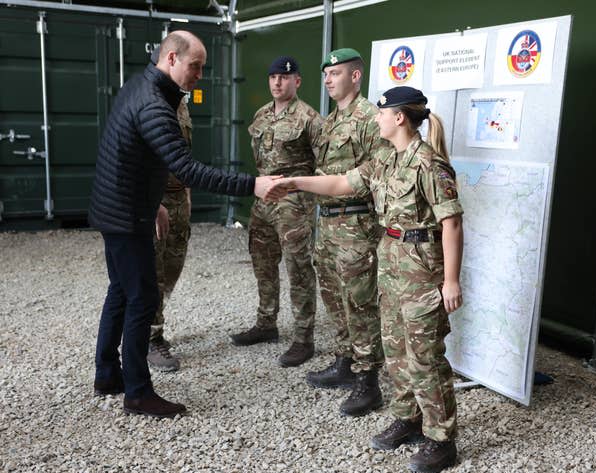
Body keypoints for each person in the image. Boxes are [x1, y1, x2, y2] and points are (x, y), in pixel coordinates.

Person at [265, 86, 464, 473]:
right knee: (394, 351)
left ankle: (441, 439)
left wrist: (451, 281)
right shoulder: (385, 161)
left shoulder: (428, 164)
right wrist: (295, 183)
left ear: (399, 118)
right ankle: (409, 419)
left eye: (381, 113)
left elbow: (451, 223)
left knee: (425, 356)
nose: (376, 118)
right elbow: (341, 184)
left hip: (422, 271)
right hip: (391, 265)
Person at [89, 30, 282, 419]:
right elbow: (186, 168)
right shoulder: (155, 104)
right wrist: (253, 185)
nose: (199, 75)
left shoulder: (143, 86)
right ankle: (138, 393)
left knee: (121, 292)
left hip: (120, 208)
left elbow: (137, 156)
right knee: (142, 299)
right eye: (195, 66)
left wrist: (155, 200)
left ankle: (108, 375)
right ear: (172, 59)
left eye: (203, 67)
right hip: (126, 217)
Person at [304, 48, 390, 417]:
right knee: (334, 297)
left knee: (360, 302)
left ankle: (368, 381)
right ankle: (345, 361)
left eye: (334, 73)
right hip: (327, 224)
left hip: (356, 224)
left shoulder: (370, 118)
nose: (327, 80)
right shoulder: (329, 122)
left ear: (355, 76)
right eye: (325, 74)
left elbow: (379, 168)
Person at [230, 56, 322, 368]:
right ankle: (266, 323)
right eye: (272, 77)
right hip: (263, 202)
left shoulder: (309, 118)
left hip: (293, 204)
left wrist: (307, 199)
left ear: (297, 81)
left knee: (298, 268)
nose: (277, 83)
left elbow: (322, 166)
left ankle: (303, 338)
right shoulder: (261, 116)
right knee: (263, 263)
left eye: (284, 78)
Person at [147, 48, 194, 373]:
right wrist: (150, 203)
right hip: (155, 200)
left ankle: (151, 325)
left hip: (179, 198)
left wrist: (187, 196)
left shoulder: (181, 104)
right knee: (153, 271)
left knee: (173, 267)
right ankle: (151, 338)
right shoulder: (149, 102)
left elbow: (183, 155)